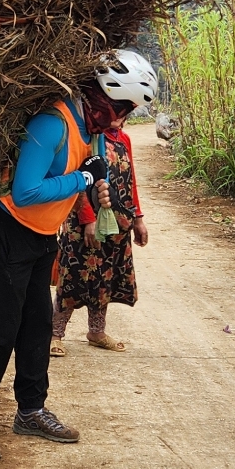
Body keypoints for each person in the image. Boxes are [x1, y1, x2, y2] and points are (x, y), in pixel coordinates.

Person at [0, 49, 157, 461]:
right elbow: (26, 192)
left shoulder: (90, 127)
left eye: (126, 113)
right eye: (122, 109)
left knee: (37, 326)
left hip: (42, 238)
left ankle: (30, 410)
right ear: (104, 96)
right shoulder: (52, 123)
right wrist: (83, 178)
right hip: (6, 232)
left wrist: (94, 188)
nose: (121, 121)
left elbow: (87, 172)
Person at [50, 63, 153, 356]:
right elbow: (80, 183)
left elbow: (130, 181)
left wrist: (138, 219)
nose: (122, 116)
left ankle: (97, 331)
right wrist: (88, 219)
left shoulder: (125, 140)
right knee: (73, 274)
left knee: (106, 276)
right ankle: (55, 334)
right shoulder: (90, 137)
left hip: (118, 222)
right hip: (84, 221)